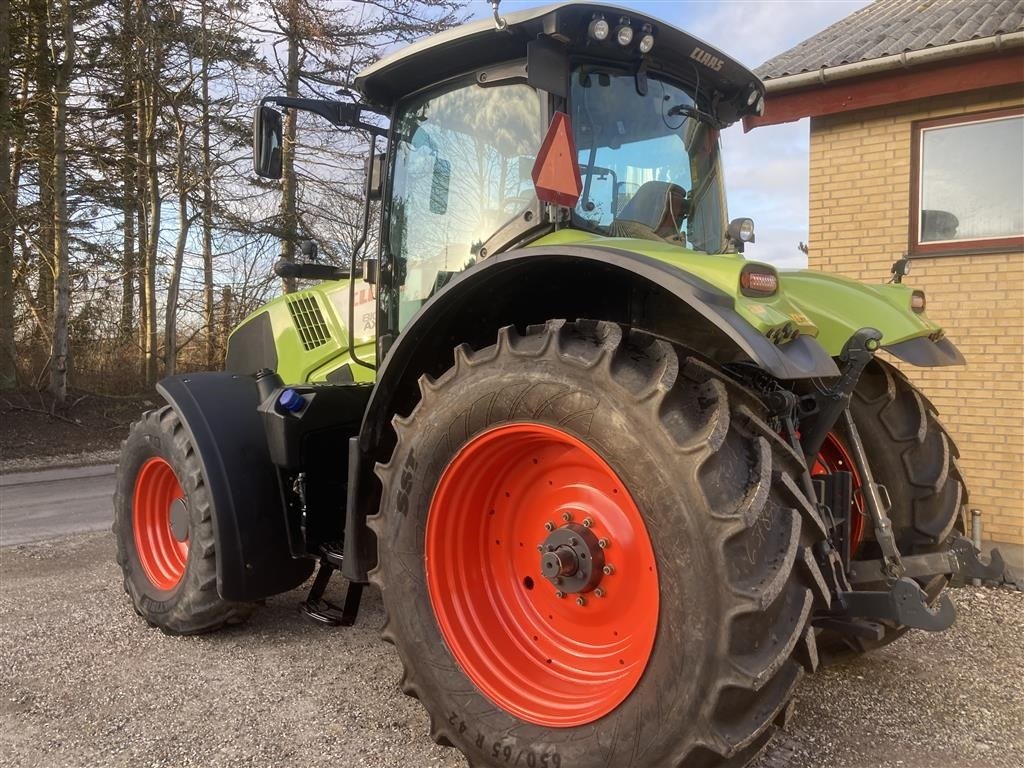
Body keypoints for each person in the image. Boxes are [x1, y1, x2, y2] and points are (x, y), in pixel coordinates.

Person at [610, 180, 689, 245]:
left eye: (681, 216)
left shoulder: (621, 233)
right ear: (656, 210)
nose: (677, 222)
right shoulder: (631, 236)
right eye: (677, 215)